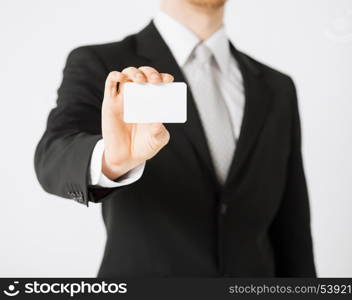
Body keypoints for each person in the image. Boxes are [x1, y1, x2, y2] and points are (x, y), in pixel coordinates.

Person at [35, 0, 316, 277]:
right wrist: (112, 160)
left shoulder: (277, 88)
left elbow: (292, 228)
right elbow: (54, 156)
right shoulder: (104, 65)